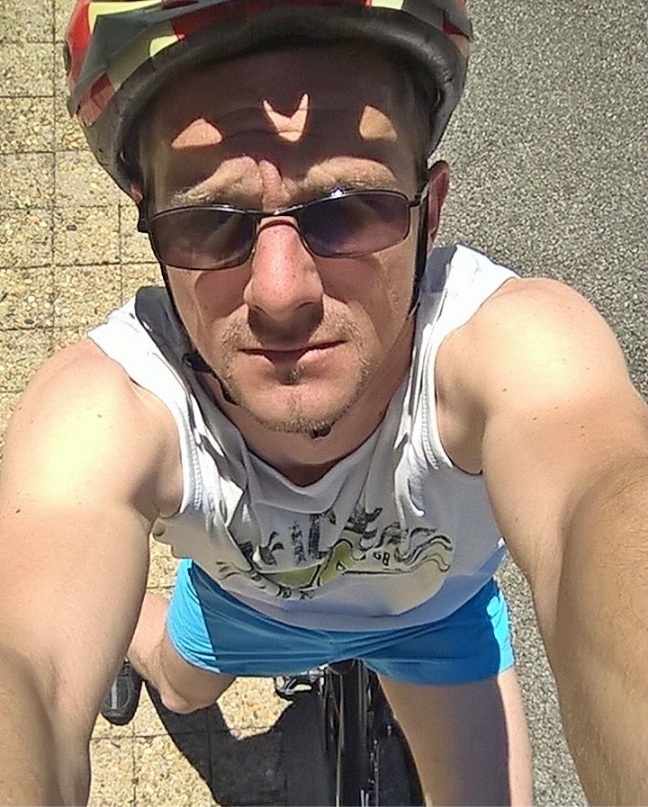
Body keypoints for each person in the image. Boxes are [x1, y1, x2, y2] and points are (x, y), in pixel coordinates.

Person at [0, 0, 646, 803]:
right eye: (207, 222)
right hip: (259, 613)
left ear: (431, 213)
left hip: (432, 621)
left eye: (349, 208)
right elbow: (24, 661)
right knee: (176, 681)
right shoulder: (109, 402)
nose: (281, 293)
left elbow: (603, 498)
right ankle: (134, 632)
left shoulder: (515, 346)